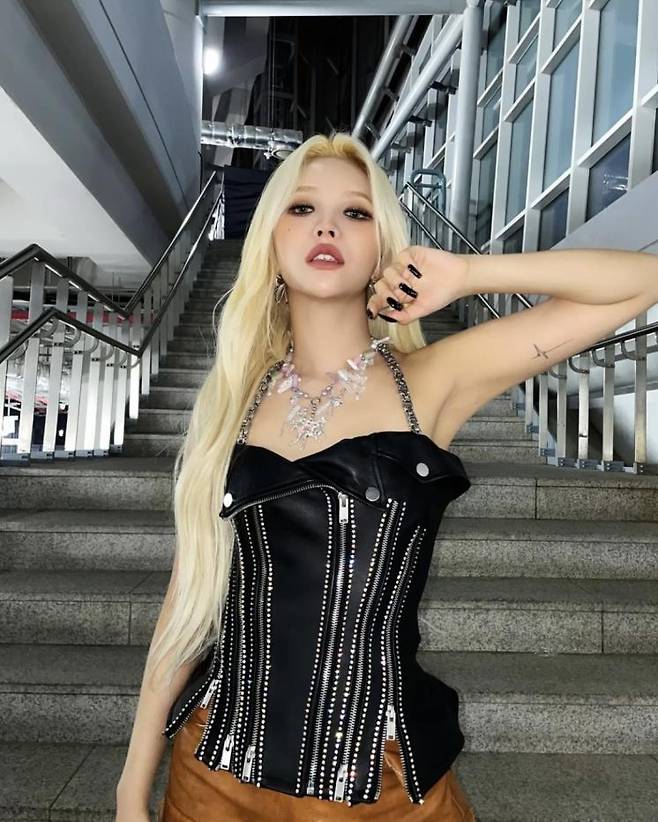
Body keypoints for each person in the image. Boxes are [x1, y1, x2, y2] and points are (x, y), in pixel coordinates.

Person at [115, 132, 658, 821]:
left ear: (382, 248)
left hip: (382, 786)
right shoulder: (232, 402)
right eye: (302, 208)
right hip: (212, 776)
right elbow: (184, 603)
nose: (327, 227)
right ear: (272, 239)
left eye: (356, 212)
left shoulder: (430, 381)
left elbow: (641, 281)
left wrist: (467, 275)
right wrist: (132, 786)